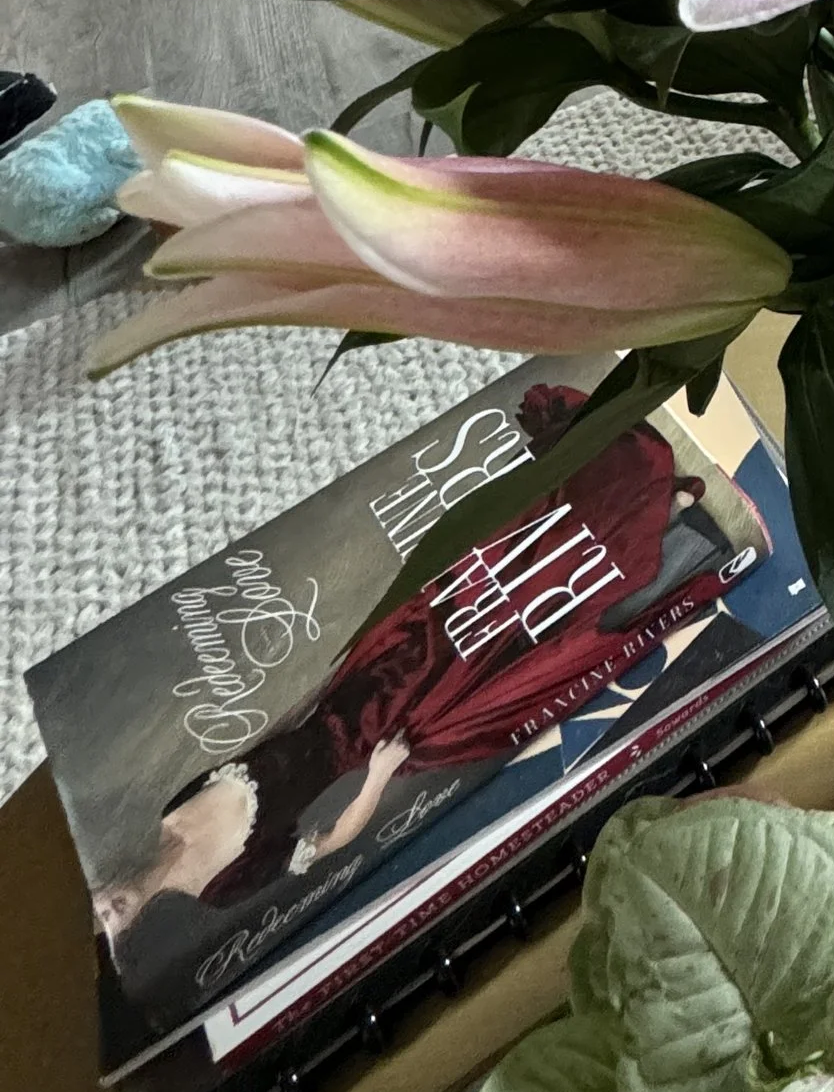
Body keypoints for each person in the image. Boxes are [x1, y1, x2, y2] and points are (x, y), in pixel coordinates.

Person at [91, 391, 754, 945]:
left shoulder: (171, 808)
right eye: (105, 925)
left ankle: (623, 490)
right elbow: (328, 842)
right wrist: (379, 775)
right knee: (522, 633)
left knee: (479, 576)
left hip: (355, 681)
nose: (106, 910)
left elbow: (273, 736)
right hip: (389, 729)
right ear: (124, 931)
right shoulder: (216, 890)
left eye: (94, 903)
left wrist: (335, 673)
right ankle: (673, 531)